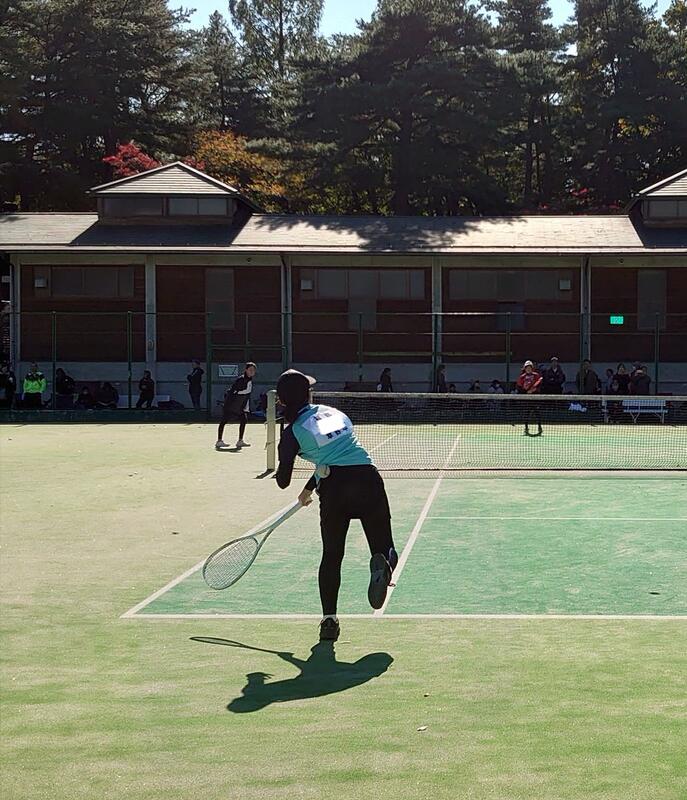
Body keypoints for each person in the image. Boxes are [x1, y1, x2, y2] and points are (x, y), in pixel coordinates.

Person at [275, 369, 398, 642]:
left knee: (332, 555)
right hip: (367, 479)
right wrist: (309, 487)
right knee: (386, 549)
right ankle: (384, 565)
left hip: (334, 489)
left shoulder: (292, 432)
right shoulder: (332, 413)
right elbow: (336, 452)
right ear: (308, 395)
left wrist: (290, 461)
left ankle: (329, 621)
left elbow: (284, 480)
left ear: (281, 401)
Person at [215, 362, 257, 450]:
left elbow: (247, 395)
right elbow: (233, 392)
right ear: (246, 370)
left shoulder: (249, 380)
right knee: (224, 421)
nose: (252, 372)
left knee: (244, 420)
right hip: (230, 405)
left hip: (240, 406)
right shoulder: (240, 380)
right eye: (250, 370)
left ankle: (240, 441)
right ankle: (219, 441)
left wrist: (245, 407)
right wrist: (229, 404)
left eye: (253, 370)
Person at [516, 360, 543, 435]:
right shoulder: (522, 377)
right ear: (524, 368)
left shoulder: (536, 375)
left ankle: (540, 428)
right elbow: (519, 388)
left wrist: (534, 389)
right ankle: (526, 428)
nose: (528, 369)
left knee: (537, 413)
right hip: (526, 399)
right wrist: (526, 392)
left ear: (532, 368)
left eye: (530, 367)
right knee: (526, 413)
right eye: (527, 368)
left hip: (535, 398)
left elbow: (540, 384)